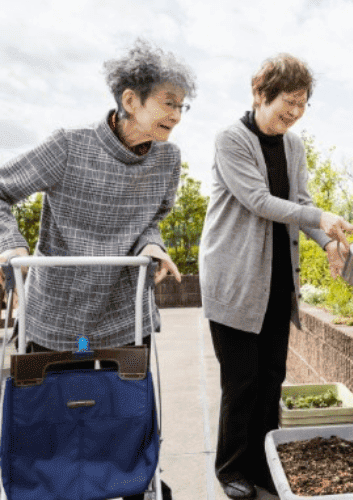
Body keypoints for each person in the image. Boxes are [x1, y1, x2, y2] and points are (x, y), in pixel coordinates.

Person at [0, 39, 196, 500]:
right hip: (56, 313)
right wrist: (10, 249)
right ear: (130, 100)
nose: (177, 116)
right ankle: (53, 484)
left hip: (124, 311)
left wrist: (152, 242)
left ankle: (131, 481)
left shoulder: (168, 158)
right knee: (54, 417)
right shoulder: (69, 145)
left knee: (124, 413)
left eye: (182, 107)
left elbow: (154, 216)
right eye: (169, 103)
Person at [199, 53, 353, 499]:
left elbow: (299, 203)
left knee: (271, 378)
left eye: (302, 104)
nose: (294, 112)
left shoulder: (294, 145)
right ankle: (230, 469)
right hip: (236, 278)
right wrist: (320, 215)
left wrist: (327, 243)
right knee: (241, 381)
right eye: (288, 101)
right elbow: (259, 201)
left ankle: (262, 464)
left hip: (277, 281)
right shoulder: (231, 139)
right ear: (260, 94)